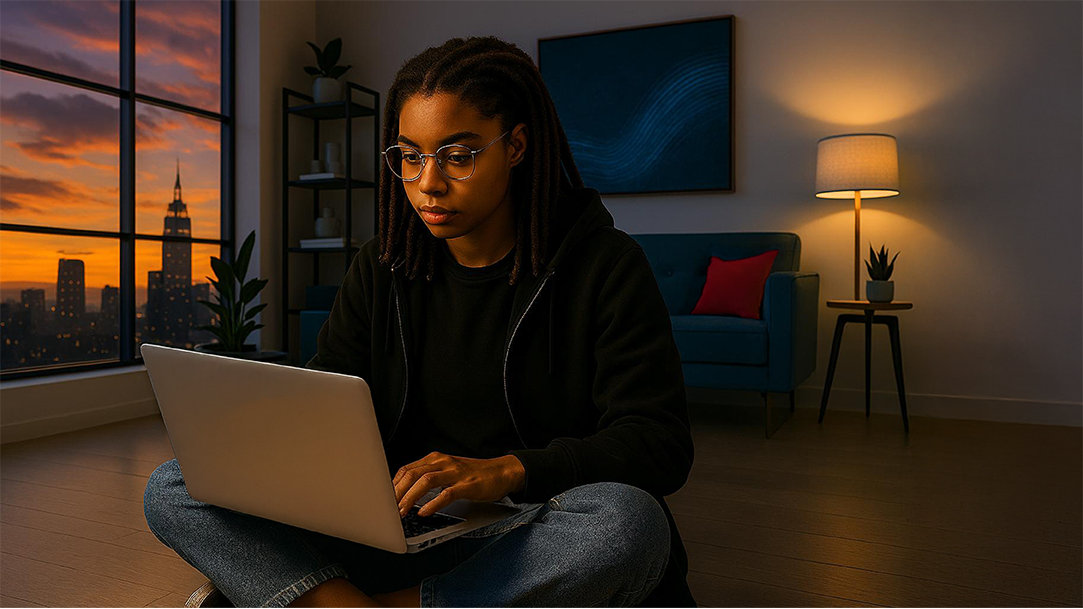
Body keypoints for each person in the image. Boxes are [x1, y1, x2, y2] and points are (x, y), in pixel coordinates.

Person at [144, 36, 694, 608]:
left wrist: (508, 471)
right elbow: (327, 399)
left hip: (526, 533)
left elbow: (658, 444)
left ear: (517, 146)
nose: (428, 182)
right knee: (174, 485)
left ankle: (315, 597)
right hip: (395, 531)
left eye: (459, 156)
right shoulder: (381, 266)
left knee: (629, 525)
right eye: (410, 157)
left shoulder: (605, 266)